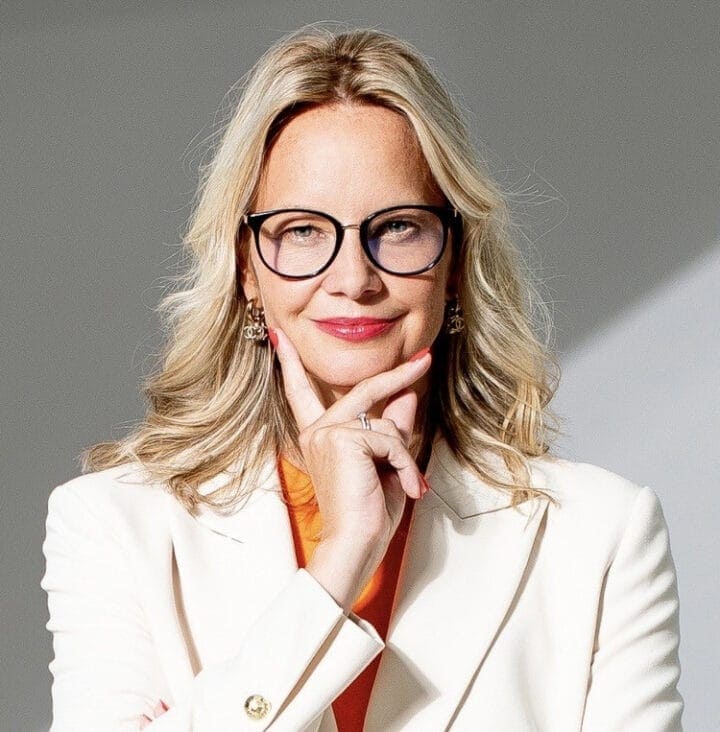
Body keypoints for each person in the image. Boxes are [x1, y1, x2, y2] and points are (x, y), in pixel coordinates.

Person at [40, 24, 684, 731]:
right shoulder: (113, 524)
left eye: (399, 226)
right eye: (302, 230)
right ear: (247, 267)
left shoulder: (601, 533)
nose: (353, 278)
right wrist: (342, 558)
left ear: (456, 261)